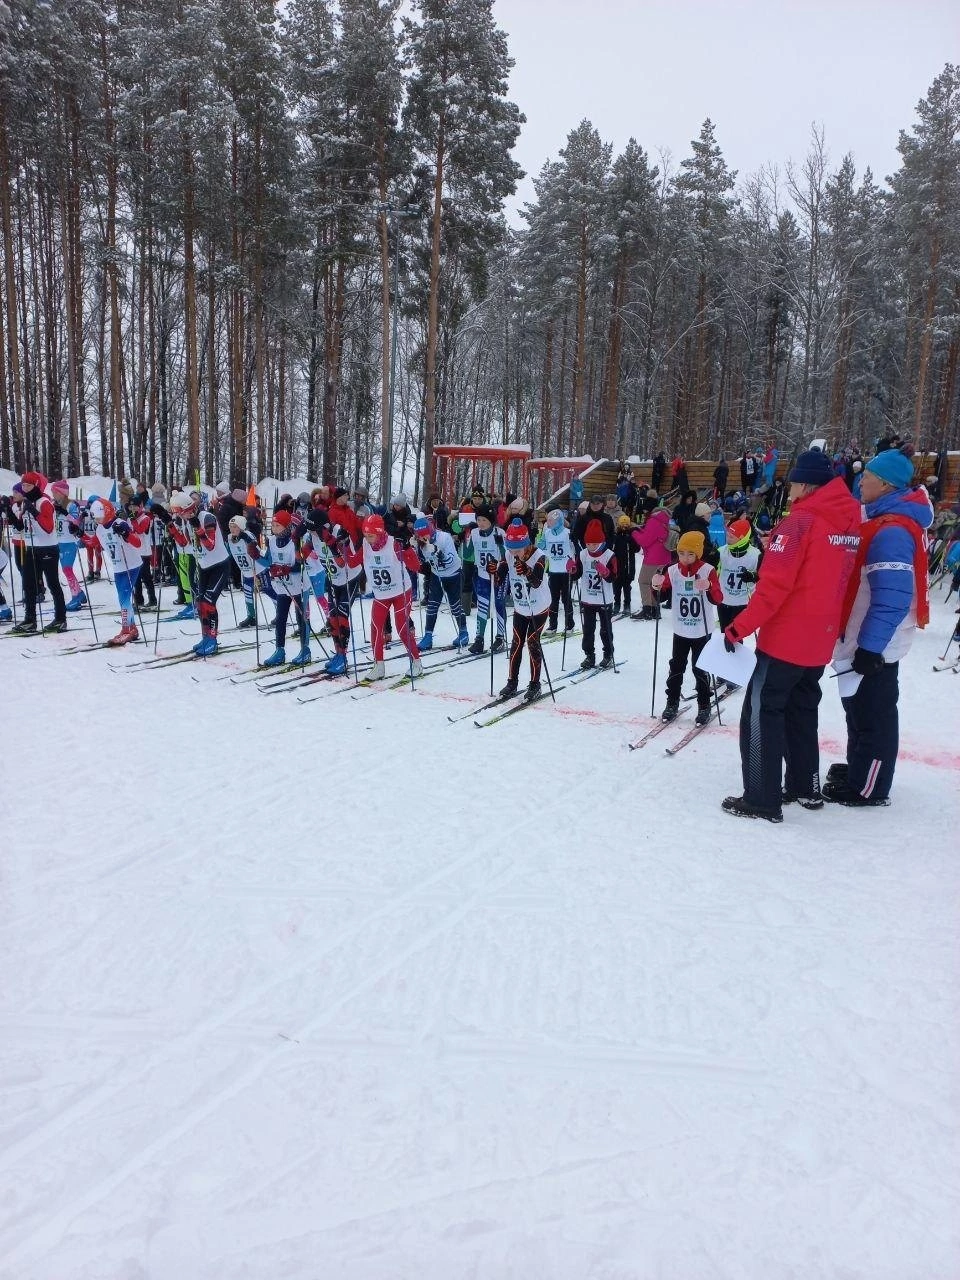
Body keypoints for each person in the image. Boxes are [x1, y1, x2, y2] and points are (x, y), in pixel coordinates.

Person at [720, 449, 862, 822]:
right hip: (819, 639)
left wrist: (738, 628)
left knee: (760, 712)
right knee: (802, 712)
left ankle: (760, 798)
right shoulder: (846, 523)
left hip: (785, 639)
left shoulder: (799, 523)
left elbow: (773, 588)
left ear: (803, 484)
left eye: (794, 482)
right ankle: (805, 785)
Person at [825, 450, 932, 806]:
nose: (861, 480)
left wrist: (870, 648)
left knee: (873, 715)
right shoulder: (881, 520)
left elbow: (893, 597)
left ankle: (869, 786)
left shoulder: (893, 531)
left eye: (867, 476)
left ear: (885, 484)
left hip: (877, 644)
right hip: (866, 638)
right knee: (858, 709)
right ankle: (860, 767)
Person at [652, 530, 722, 726]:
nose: (685, 558)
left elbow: (718, 598)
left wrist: (708, 586)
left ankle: (704, 704)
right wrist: (656, 587)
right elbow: (662, 596)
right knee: (676, 667)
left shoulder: (708, 570)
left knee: (700, 669)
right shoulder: (673, 570)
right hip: (681, 630)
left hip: (701, 630)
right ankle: (672, 702)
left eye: (690, 554)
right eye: (682, 553)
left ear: (698, 553)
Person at [167, 491, 232, 657]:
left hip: (219, 565)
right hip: (203, 566)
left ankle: (212, 641)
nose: (178, 515)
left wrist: (197, 527)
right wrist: (170, 526)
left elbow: (210, 545)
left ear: (186, 508)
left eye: (179, 512)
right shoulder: (188, 520)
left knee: (209, 603)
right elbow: (184, 543)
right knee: (201, 603)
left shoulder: (207, 517)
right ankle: (206, 637)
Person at [361, 513, 423, 681]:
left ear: (380, 532)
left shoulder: (393, 544)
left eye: (371, 535)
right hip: (381, 594)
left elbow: (416, 566)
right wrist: (335, 545)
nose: (368, 539)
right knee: (375, 627)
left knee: (401, 627)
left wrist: (407, 549)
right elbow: (351, 562)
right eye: (365, 535)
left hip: (401, 592)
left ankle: (416, 663)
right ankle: (378, 666)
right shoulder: (366, 545)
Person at [496, 518, 551, 701]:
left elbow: (536, 582)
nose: (513, 553)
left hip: (539, 607)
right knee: (516, 643)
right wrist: (494, 571)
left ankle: (535, 684)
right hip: (521, 608)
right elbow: (501, 575)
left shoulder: (539, 556)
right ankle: (512, 682)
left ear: (526, 545)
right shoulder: (509, 554)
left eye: (516, 549)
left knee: (532, 642)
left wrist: (527, 571)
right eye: (510, 548)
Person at [7, 471, 67, 635]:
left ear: (36, 485)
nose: (24, 488)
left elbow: (48, 528)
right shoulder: (27, 502)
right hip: (31, 548)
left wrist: (33, 510)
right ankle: (30, 619)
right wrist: (8, 510)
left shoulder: (44, 502)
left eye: (28, 485)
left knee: (53, 584)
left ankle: (61, 619)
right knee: (28, 584)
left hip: (48, 548)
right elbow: (20, 527)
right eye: (23, 485)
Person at [253, 508, 312, 668]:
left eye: (278, 525)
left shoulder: (295, 541)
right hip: (281, 587)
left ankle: (305, 650)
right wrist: (256, 556)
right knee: (280, 619)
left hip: (299, 586)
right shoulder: (271, 541)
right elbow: (268, 562)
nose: (274, 528)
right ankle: (280, 651)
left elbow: (301, 563)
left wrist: (286, 569)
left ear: (286, 527)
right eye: (273, 525)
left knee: (301, 619)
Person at [91, 498, 143, 645]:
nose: (98, 520)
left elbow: (137, 543)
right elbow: (93, 542)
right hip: (118, 567)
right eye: (96, 518)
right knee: (122, 598)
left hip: (131, 564)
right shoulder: (100, 528)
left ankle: (126, 629)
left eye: (99, 517)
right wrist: (80, 534)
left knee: (125, 597)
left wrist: (126, 534)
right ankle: (132, 628)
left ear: (107, 512)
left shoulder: (120, 523)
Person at [413, 516, 469, 650]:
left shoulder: (444, 537)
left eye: (424, 534)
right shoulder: (421, 544)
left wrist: (439, 553)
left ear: (431, 530)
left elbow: (452, 559)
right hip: (437, 576)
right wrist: (415, 552)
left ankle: (463, 632)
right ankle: (428, 636)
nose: (422, 538)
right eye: (419, 536)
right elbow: (423, 562)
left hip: (453, 574)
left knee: (455, 605)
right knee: (432, 605)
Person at [575, 519, 617, 670]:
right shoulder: (583, 554)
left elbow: (614, 577)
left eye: (594, 544)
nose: (591, 547)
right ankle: (589, 655)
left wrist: (605, 572)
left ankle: (608, 655)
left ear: (601, 541)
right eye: (588, 544)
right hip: (588, 599)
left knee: (605, 630)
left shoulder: (609, 555)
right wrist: (572, 569)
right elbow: (577, 574)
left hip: (604, 599)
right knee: (588, 630)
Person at [467, 505, 507, 653]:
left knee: (498, 604)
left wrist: (501, 544)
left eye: (484, 520)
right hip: (482, 575)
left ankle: (500, 637)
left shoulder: (499, 532)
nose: (481, 523)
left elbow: (507, 556)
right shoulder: (475, 533)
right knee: (482, 606)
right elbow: (467, 554)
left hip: (499, 575)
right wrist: (465, 538)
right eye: (479, 519)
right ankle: (479, 639)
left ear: (491, 521)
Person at [716, 518, 761, 632]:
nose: (727, 539)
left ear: (742, 538)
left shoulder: (756, 555)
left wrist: (753, 576)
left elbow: (764, 576)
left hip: (742, 602)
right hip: (724, 600)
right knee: (723, 634)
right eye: (727, 535)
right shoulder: (721, 551)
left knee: (735, 636)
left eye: (731, 537)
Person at [630, 503, 672, 619]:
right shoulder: (665, 522)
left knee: (644, 582)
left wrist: (633, 532)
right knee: (654, 583)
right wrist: (639, 529)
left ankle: (647, 609)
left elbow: (644, 541)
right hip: (664, 557)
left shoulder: (653, 521)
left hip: (654, 558)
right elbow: (652, 536)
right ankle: (655, 610)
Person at [50, 481, 86, 612]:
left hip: (70, 542)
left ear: (62, 493)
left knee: (67, 569)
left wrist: (64, 513)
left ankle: (75, 597)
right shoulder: (54, 505)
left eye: (55, 492)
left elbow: (77, 521)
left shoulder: (71, 505)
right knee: (66, 570)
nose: (53, 494)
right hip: (59, 541)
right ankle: (80, 594)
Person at [540, 508, 576, 633]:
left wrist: (574, 561)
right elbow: (541, 547)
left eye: (551, 521)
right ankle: (553, 625)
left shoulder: (567, 533)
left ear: (559, 521)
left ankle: (570, 624)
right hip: (554, 570)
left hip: (566, 571)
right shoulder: (547, 533)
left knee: (566, 599)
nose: (548, 523)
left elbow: (575, 548)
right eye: (548, 520)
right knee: (553, 599)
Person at [612, 515, 636, 616]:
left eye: (626, 526)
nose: (624, 527)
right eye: (622, 525)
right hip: (617, 567)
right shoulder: (616, 536)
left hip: (628, 567)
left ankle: (627, 604)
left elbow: (637, 549)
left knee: (627, 587)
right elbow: (612, 549)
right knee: (616, 587)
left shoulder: (631, 537)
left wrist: (632, 538)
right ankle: (616, 604)